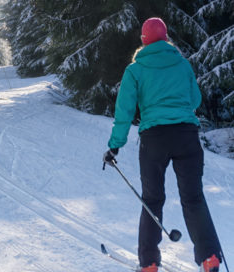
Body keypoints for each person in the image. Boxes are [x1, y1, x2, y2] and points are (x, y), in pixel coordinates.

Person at [102, 17, 222, 272]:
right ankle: (210, 257)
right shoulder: (182, 64)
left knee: (152, 200)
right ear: (166, 38)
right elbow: (194, 100)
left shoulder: (135, 70)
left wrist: (114, 146)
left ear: (144, 40)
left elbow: (124, 112)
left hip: (154, 139)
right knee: (194, 198)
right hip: (186, 136)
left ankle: (149, 264)